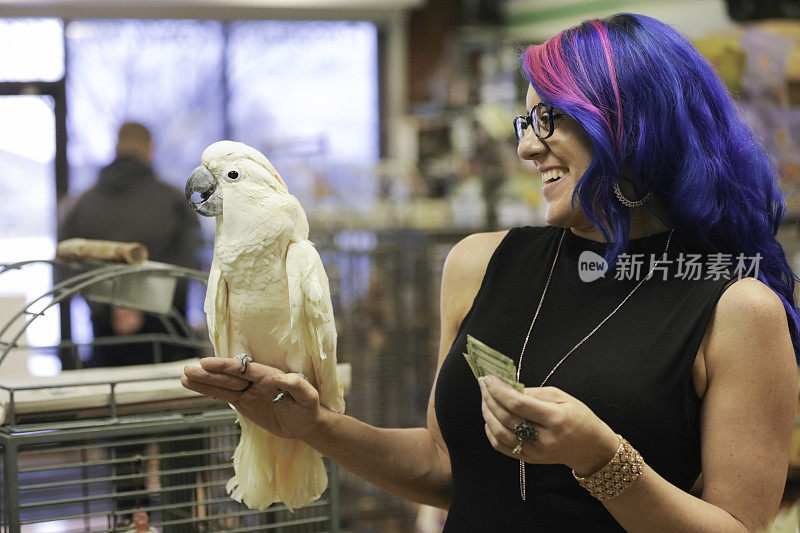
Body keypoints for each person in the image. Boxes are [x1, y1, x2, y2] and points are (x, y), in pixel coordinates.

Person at [181, 13, 800, 531]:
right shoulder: (478, 264)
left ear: (634, 127)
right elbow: (444, 469)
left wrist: (604, 459)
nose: (528, 147)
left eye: (548, 120)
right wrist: (316, 426)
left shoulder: (736, 308)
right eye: (525, 123)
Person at [59, 121, 201, 367]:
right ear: (150, 149)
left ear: (116, 148)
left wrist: (113, 308)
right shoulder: (173, 202)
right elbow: (188, 265)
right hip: (167, 346)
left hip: (106, 346)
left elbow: (67, 272)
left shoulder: (82, 205)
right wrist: (142, 305)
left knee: (112, 402)